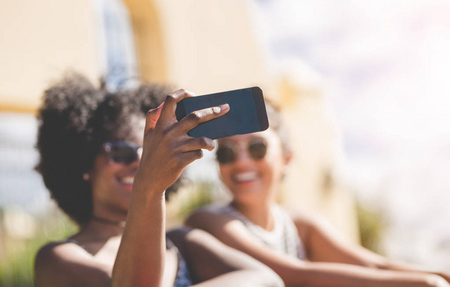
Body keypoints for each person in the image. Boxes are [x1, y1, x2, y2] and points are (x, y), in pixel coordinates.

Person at [33, 73, 284, 287]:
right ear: (84, 162)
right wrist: (150, 184)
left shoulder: (181, 242)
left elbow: (268, 279)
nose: (139, 162)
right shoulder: (57, 257)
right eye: (121, 152)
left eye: (148, 152)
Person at [185, 99, 450, 287]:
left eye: (257, 148)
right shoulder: (209, 220)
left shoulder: (298, 225)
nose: (241, 162)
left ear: (287, 158)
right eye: (228, 152)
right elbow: (294, 276)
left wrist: (440, 275)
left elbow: (373, 266)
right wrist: (427, 283)